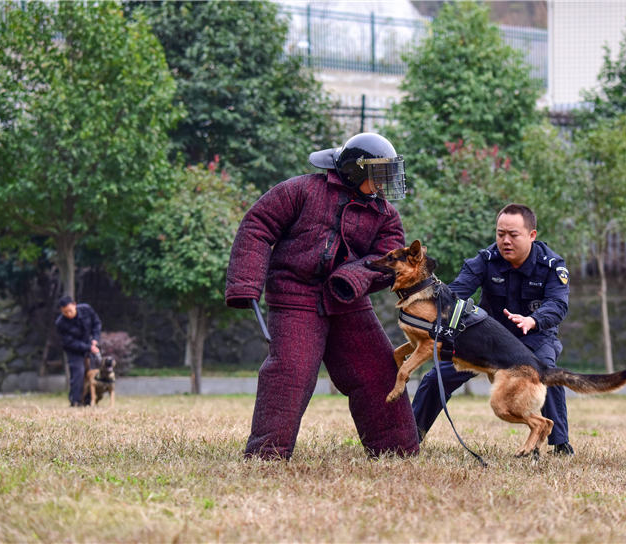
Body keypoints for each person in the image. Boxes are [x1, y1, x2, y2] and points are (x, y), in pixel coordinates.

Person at [225, 132, 420, 460]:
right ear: (357, 172)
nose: (385, 186)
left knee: (378, 371)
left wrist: (352, 278)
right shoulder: (301, 190)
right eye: (379, 177)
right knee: (291, 372)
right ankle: (267, 456)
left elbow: (390, 258)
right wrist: (245, 284)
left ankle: (397, 452)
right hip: (293, 295)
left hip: (348, 301)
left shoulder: (386, 216)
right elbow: (257, 226)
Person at [411, 203, 575, 455]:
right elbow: (456, 293)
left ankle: (560, 443)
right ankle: (411, 436)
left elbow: (558, 304)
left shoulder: (551, 265)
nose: (505, 241)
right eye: (500, 234)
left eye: (513, 235)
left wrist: (533, 320)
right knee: (436, 377)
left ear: (532, 235)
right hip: (487, 339)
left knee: (545, 370)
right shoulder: (485, 260)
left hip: (533, 336)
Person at [55, 295, 102, 407]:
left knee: (93, 372)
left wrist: (95, 339)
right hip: (74, 350)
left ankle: (90, 400)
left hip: (89, 343)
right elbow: (69, 342)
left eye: (70, 311)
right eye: (65, 312)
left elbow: (97, 323)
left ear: (75, 304)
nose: (69, 314)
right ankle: (75, 401)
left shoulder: (86, 309)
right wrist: (88, 347)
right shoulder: (60, 323)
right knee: (78, 372)